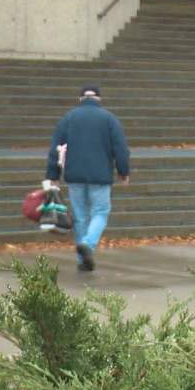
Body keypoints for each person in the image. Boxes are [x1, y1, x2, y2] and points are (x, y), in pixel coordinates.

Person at [45, 85, 130, 272]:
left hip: (74, 176)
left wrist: (53, 175)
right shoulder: (109, 119)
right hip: (101, 176)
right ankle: (88, 245)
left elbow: (56, 149)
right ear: (99, 99)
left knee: (80, 217)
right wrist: (123, 172)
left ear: (80, 99)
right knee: (100, 212)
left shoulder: (69, 118)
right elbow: (121, 148)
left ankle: (83, 260)